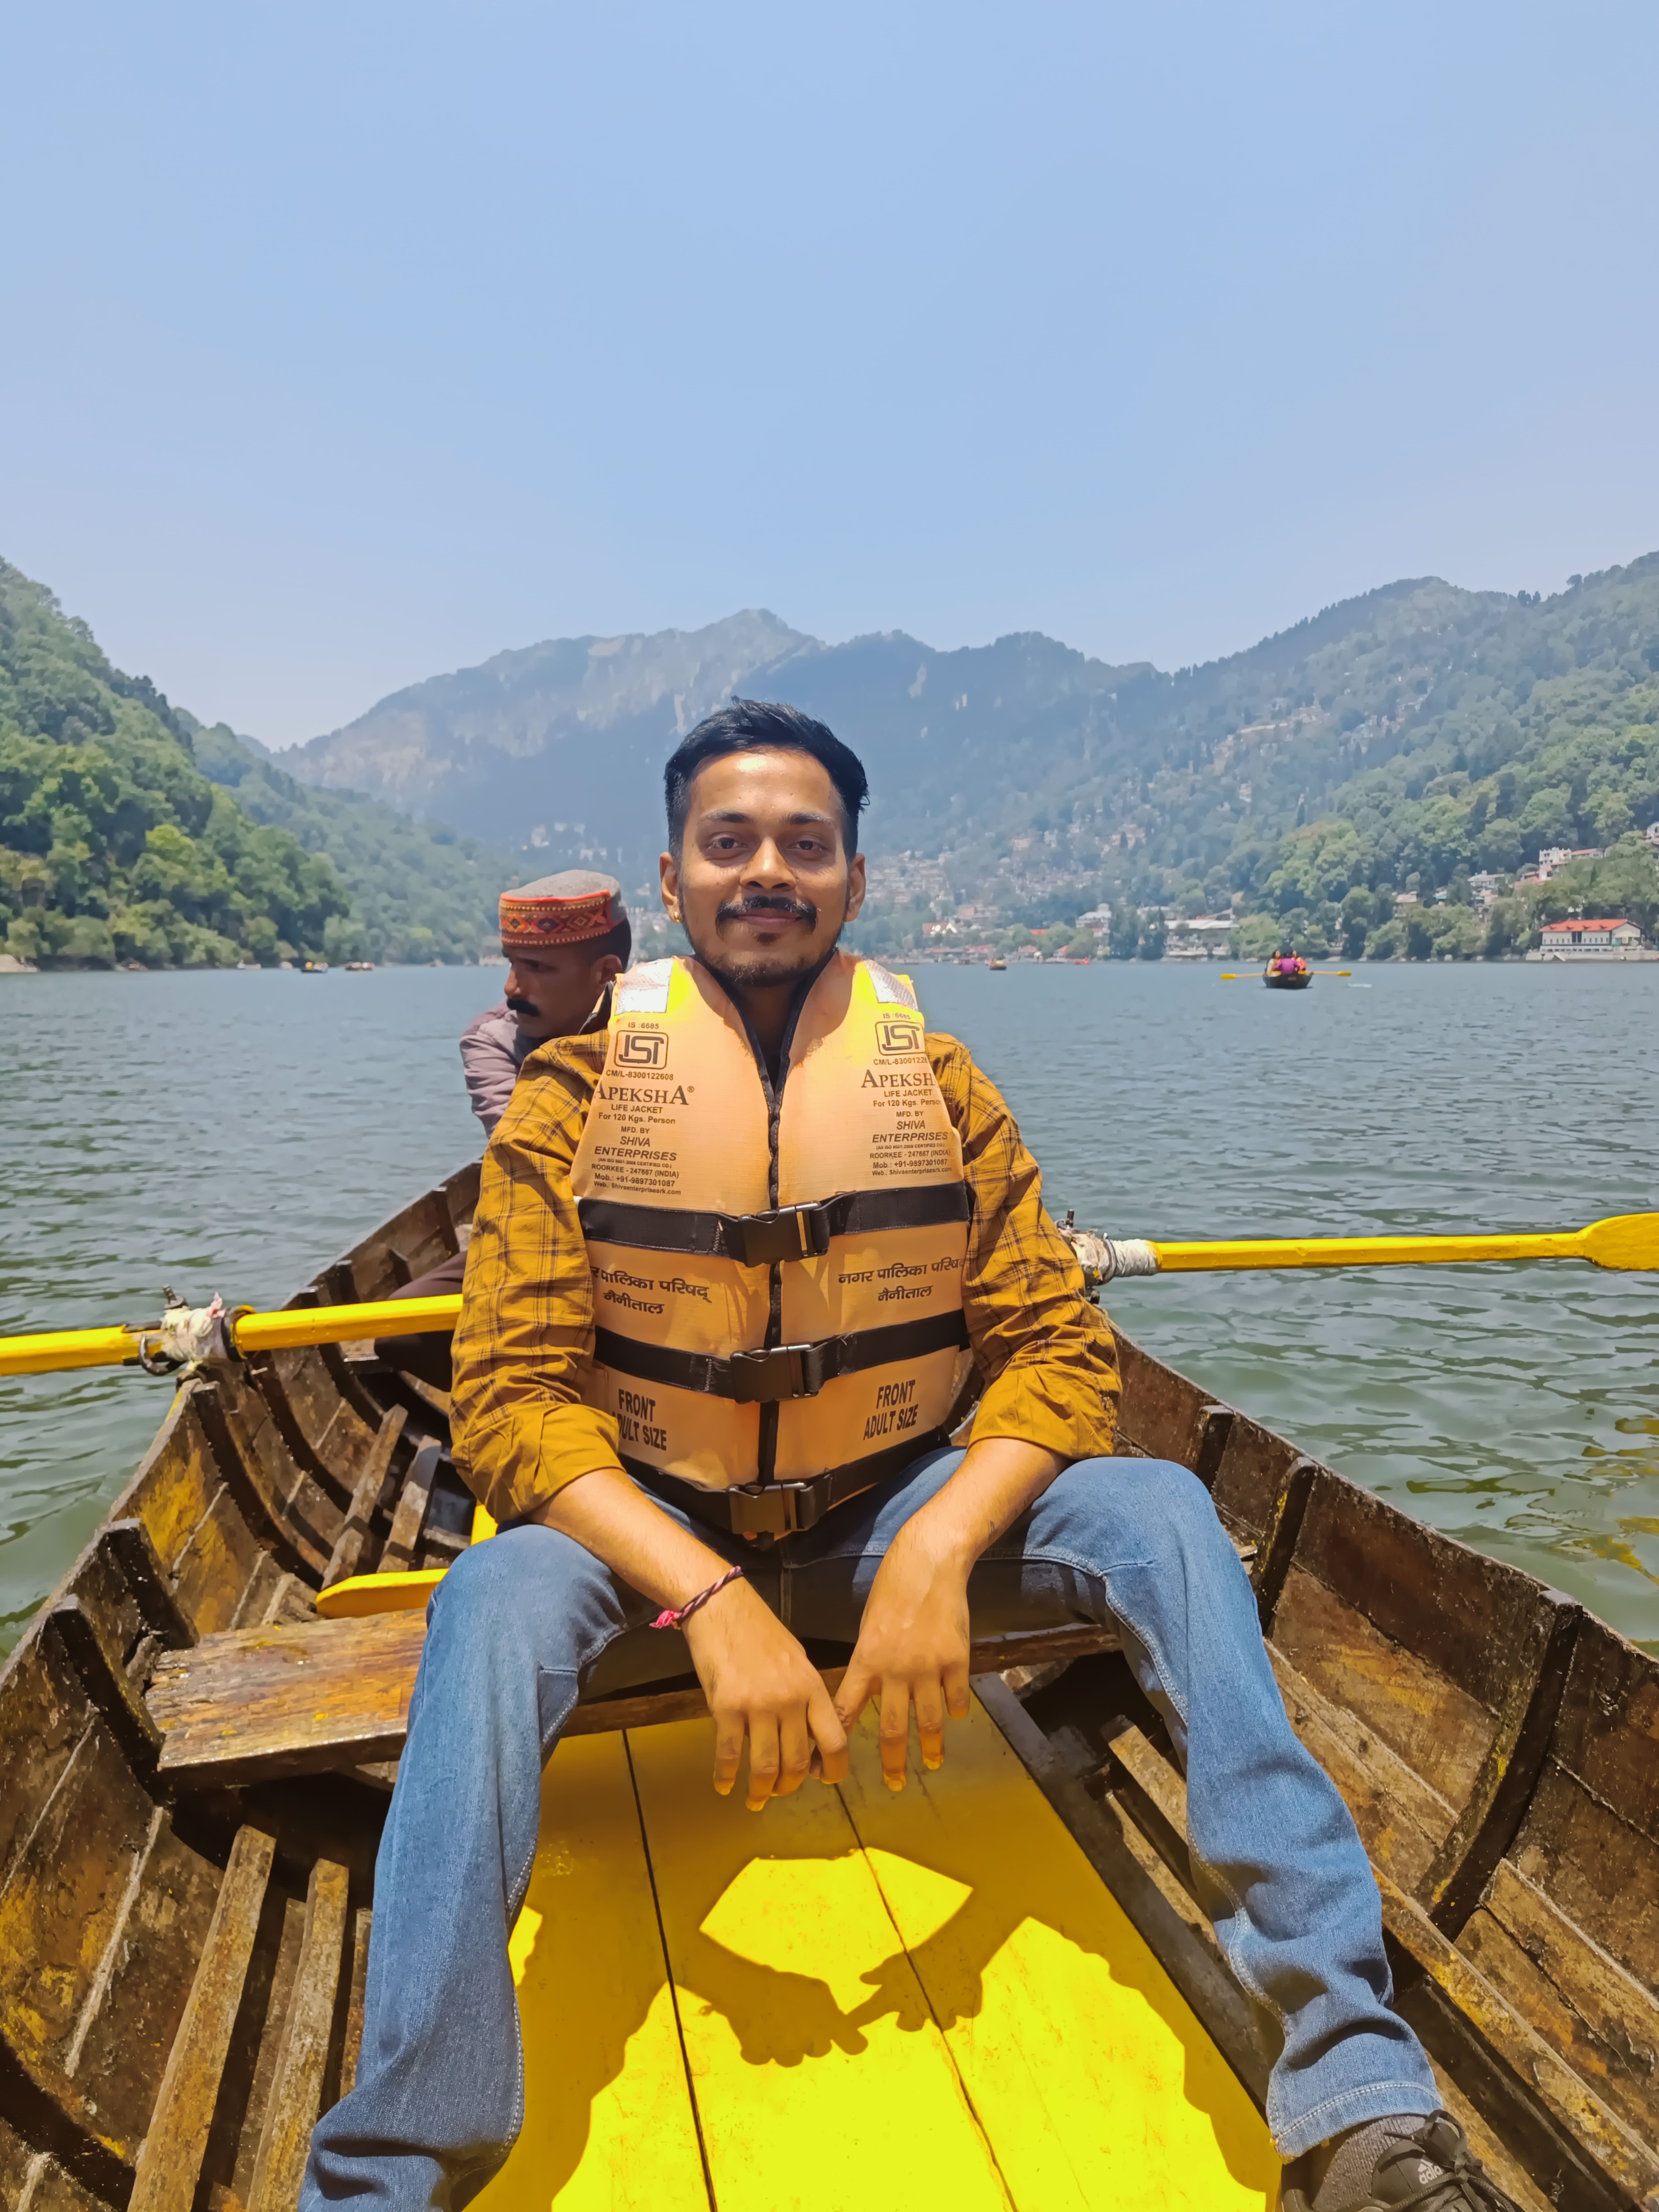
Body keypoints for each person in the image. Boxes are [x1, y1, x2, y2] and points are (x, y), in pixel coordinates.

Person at [306, 703, 1516, 2212]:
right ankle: (391, 2171)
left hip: (884, 1506)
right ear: (673, 881)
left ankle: (1359, 2097)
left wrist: (942, 1548)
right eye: (729, 842)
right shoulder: (566, 1106)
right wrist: (709, 1597)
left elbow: (1061, 1355)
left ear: (855, 884)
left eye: (805, 846)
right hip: (645, 1527)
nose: (767, 871)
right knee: (486, 1608)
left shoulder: (936, 1087)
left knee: (1158, 1510)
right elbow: (505, 1402)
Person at [372, 872, 631, 1392]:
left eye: (536, 968)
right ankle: (536, 1405)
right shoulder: (492, 1041)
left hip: (652, 1229)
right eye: (513, 966)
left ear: (607, 974)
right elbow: (536, 1164)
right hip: (544, 1228)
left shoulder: (665, 1024)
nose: (513, 988)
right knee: (403, 1332)